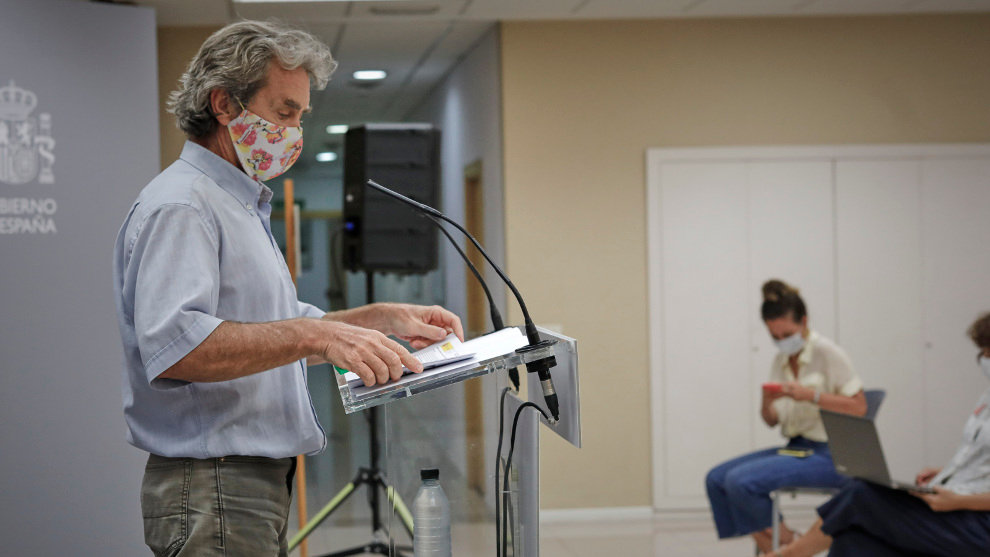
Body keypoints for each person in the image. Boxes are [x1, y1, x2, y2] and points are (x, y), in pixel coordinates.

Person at [112, 21, 463, 556]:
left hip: (246, 486)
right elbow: (176, 348)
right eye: (284, 112)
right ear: (224, 104)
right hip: (213, 487)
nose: (296, 132)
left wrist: (381, 319)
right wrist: (309, 336)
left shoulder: (237, 203)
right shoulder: (184, 205)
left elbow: (274, 325)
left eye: (301, 115)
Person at [760, 312, 990, 557]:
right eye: (983, 354)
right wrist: (947, 471)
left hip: (975, 521)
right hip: (953, 503)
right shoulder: (986, 399)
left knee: (861, 495)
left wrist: (958, 501)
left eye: (988, 353)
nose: (984, 360)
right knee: (853, 539)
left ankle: (791, 554)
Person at [705, 279, 867, 553]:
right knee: (716, 479)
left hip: (832, 455)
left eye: (787, 334)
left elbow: (859, 407)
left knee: (740, 482)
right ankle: (787, 542)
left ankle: (782, 547)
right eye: (775, 337)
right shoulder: (780, 361)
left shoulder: (828, 353)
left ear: (803, 322)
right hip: (797, 449)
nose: (782, 342)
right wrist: (766, 403)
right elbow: (771, 421)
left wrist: (811, 396)